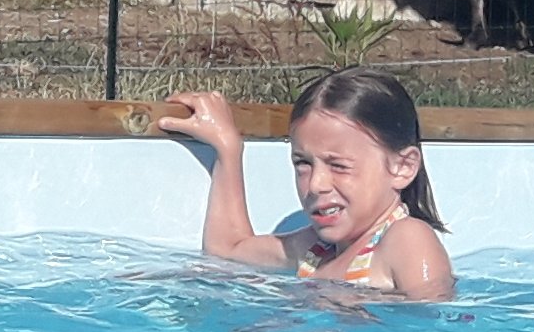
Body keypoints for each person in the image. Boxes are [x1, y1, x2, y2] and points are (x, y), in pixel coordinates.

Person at [155, 67, 456, 300]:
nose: (316, 185)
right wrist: (228, 150)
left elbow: (431, 330)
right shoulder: (315, 249)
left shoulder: (406, 239)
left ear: (402, 167)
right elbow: (227, 250)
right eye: (303, 164)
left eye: (338, 165)